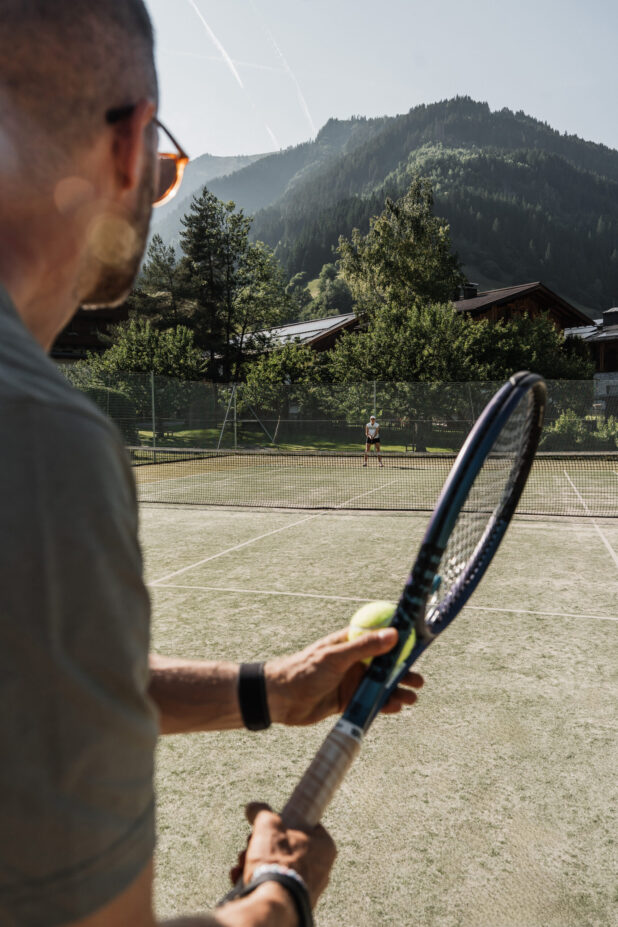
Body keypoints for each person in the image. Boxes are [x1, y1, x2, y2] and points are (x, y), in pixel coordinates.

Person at [0, 3, 423, 925]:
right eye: (166, 166)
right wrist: (280, 890)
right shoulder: (36, 444)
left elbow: (24, 687)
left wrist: (269, 687)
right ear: (130, 148)